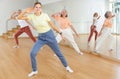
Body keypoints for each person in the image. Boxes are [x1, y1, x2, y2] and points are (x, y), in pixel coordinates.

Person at [18, 2, 73, 77]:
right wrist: (24, 11)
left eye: (39, 7)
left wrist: (61, 33)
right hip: (41, 38)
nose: (38, 9)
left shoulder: (45, 15)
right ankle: (34, 70)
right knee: (32, 53)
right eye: (36, 7)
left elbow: (53, 26)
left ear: (41, 8)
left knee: (58, 53)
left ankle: (67, 67)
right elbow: (19, 18)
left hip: (50, 36)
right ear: (34, 8)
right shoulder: (31, 16)